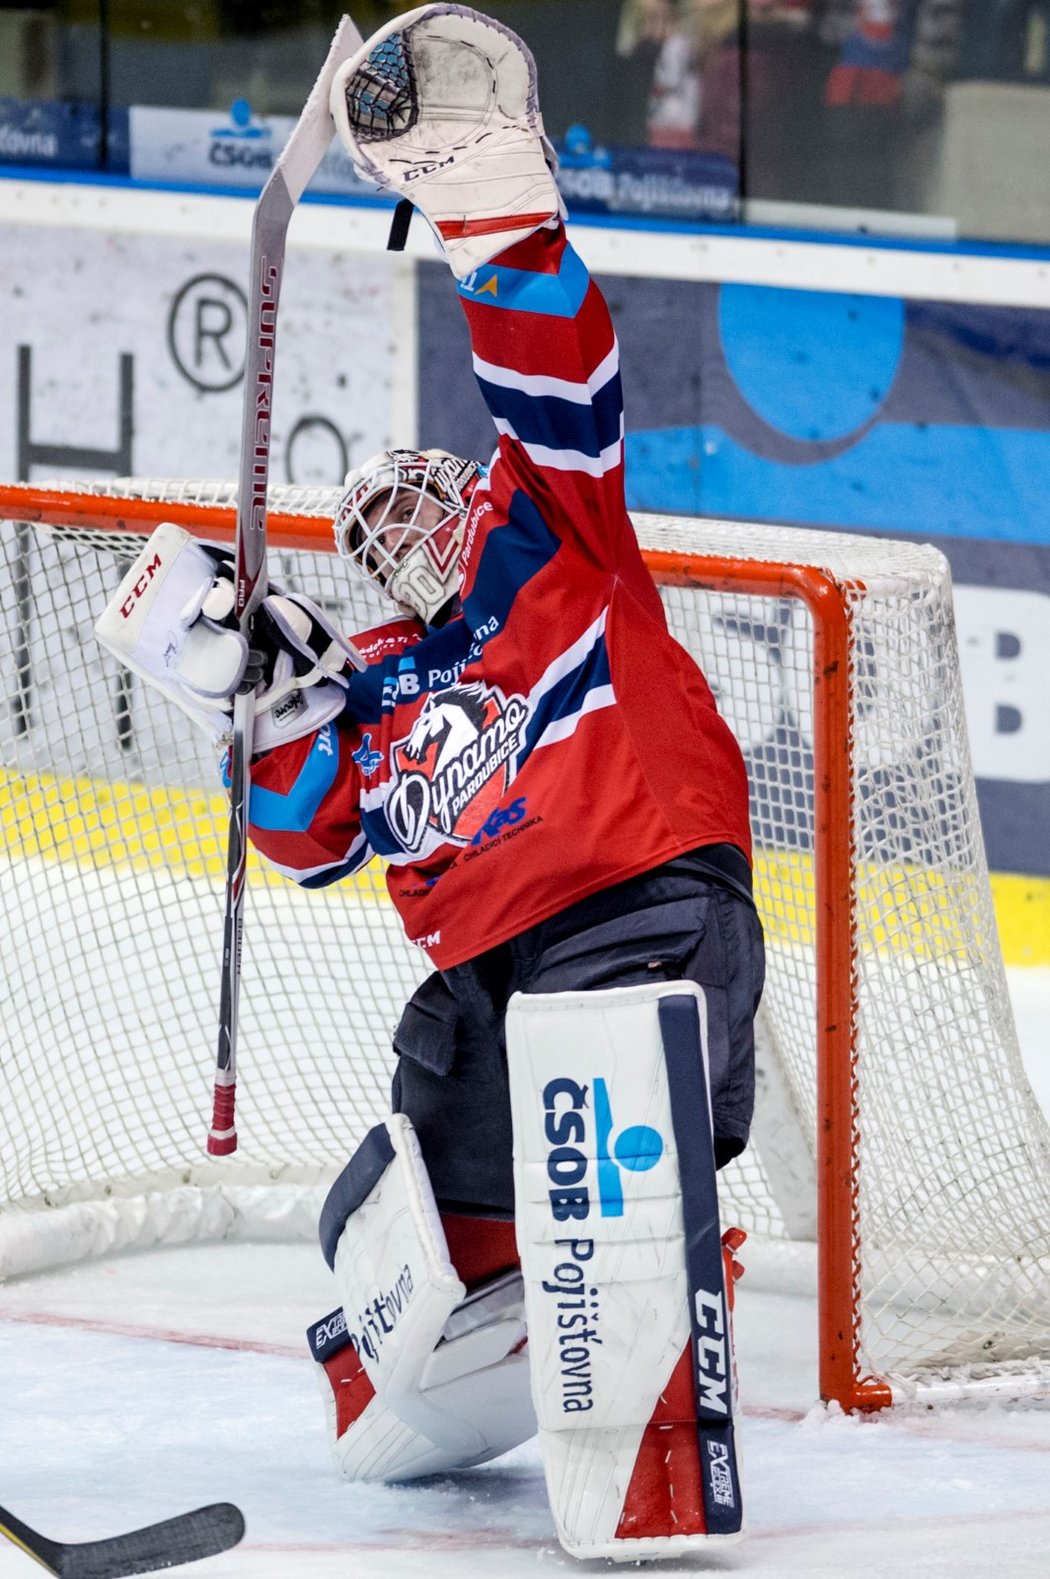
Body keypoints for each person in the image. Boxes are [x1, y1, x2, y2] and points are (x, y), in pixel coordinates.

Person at [96, 5, 763, 1561]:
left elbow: (557, 375)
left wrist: (487, 211)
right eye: (379, 520)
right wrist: (242, 693)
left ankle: (659, 1396)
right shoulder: (376, 692)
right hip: (478, 982)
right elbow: (308, 843)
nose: (411, 514)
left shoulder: (560, 544)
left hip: (635, 902)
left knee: (601, 1131)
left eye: (431, 490)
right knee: (399, 1201)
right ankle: (443, 1349)